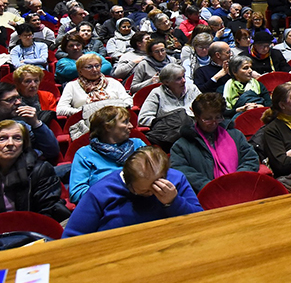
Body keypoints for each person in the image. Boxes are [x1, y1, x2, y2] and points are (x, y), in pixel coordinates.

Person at [63, 146, 201, 237]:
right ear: (128, 183)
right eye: (145, 191)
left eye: (157, 183)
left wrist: (173, 202)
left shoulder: (176, 180)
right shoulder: (100, 192)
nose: (153, 193)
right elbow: (71, 238)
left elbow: (200, 221)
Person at [169, 93, 261, 193]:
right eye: (208, 119)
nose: (214, 123)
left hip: (240, 188)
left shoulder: (235, 135)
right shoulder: (182, 145)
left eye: (218, 117)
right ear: (196, 116)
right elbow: (181, 170)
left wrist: (236, 179)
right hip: (206, 194)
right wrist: (211, 186)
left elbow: (250, 158)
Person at [68, 106, 146, 204]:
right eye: (125, 122)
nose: (131, 126)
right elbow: (76, 193)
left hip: (143, 202)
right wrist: (117, 192)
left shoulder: (138, 145)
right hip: (106, 208)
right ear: (108, 127)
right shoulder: (85, 154)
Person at [0, 120, 70, 222]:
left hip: (31, 230)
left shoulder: (41, 170)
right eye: (3, 139)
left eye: (17, 138)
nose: (10, 143)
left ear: (24, 144)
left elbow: (47, 211)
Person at [57, 54, 132, 139]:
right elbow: (61, 109)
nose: (95, 69)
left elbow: (127, 101)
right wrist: (84, 112)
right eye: (89, 67)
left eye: (97, 66)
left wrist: (114, 112)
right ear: (80, 71)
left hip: (116, 123)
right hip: (88, 125)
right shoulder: (72, 86)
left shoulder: (113, 82)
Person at [0, 83, 59, 163]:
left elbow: (52, 151)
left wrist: (36, 124)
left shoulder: (23, 123)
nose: (18, 102)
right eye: (10, 100)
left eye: (18, 98)